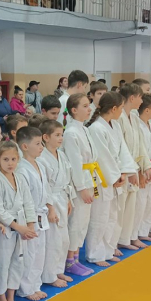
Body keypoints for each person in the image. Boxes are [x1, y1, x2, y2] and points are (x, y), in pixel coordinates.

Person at [85, 92, 133, 266]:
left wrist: (124, 171)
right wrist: (115, 176)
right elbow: (102, 157)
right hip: (102, 179)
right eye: (121, 108)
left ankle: (108, 250)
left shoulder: (115, 125)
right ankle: (95, 254)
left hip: (116, 176)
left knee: (113, 216)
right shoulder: (96, 128)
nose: (122, 111)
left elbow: (123, 150)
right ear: (113, 109)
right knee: (100, 217)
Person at [0, 141, 36, 301]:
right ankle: (2, 300)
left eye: (13, 159)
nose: (10, 163)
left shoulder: (20, 178)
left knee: (18, 263)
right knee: (3, 265)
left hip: (21, 226)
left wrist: (30, 226)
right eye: (6, 159)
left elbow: (28, 203)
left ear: (18, 159)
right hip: (6, 229)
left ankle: (11, 298)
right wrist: (18, 227)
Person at [62, 93, 100, 275]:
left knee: (83, 221)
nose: (89, 109)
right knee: (76, 222)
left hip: (89, 177)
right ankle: (69, 260)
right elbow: (75, 163)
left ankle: (76, 257)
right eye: (85, 106)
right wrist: (82, 187)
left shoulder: (84, 129)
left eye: (89, 105)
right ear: (74, 110)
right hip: (79, 183)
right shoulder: (70, 133)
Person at [37, 119, 76, 286]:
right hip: (51, 201)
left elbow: (67, 179)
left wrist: (69, 200)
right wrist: (50, 207)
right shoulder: (41, 158)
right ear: (46, 137)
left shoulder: (62, 155)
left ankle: (59, 270)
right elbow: (44, 186)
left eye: (62, 135)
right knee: (53, 239)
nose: (61, 138)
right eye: (57, 135)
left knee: (64, 239)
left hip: (62, 196)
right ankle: (49, 275)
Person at [16, 126, 53, 298]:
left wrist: (50, 207)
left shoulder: (39, 164)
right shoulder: (21, 169)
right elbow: (24, 199)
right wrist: (29, 222)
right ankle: (25, 289)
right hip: (29, 218)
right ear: (25, 146)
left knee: (39, 253)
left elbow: (46, 189)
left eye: (41, 143)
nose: (41, 147)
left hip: (41, 215)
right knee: (29, 254)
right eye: (37, 143)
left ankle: (35, 284)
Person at [117, 83, 151, 251]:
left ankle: (127, 238)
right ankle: (115, 242)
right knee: (120, 208)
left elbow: (141, 144)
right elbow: (121, 147)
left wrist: (146, 166)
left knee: (132, 207)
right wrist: (130, 170)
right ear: (132, 98)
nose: (142, 100)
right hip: (123, 169)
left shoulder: (135, 117)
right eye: (140, 97)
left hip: (134, 166)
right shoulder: (119, 118)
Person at [133, 94, 151, 243]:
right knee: (140, 203)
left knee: (150, 202)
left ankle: (144, 232)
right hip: (143, 167)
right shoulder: (137, 126)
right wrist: (141, 171)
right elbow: (139, 150)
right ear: (147, 110)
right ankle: (134, 235)